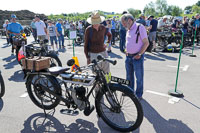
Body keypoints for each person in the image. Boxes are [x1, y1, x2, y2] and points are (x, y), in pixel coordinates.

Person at [120, 13, 149, 100]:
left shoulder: (140, 27)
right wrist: (126, 50)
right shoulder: (128, 29)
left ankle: (138, 94)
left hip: (137, 57)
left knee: (139, 77)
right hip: (128, 56)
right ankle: (129, 91)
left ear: (129, 20)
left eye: (124, 23)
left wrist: (139, 54)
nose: (123, 25)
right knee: (129, 76)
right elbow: (129, 41)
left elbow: (146, 43)